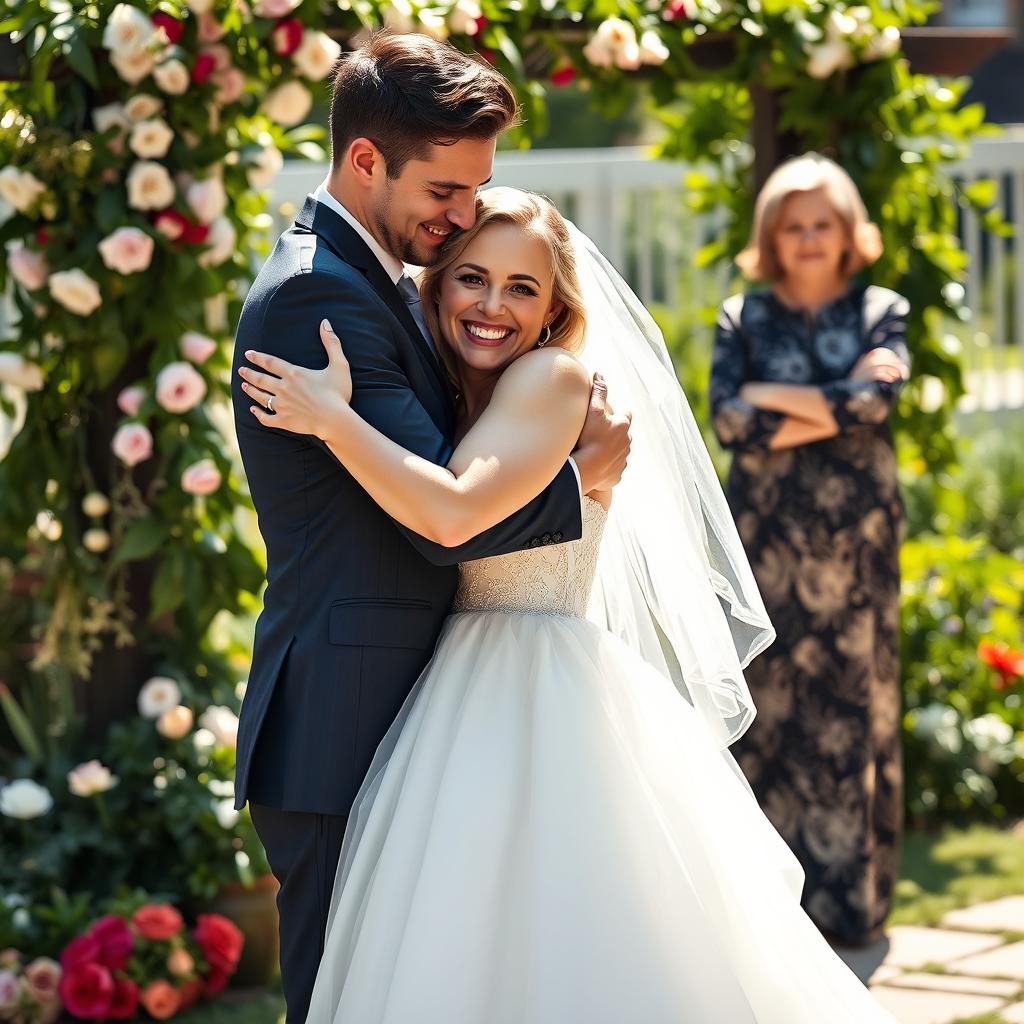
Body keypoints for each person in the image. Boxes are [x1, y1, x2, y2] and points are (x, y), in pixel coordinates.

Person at [239, 185, 899, 1023]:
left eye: (523, 288)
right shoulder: (455, 391)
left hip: (537, 684)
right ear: (435, 284)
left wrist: (333, 419)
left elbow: (451, 511)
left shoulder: (552, 379)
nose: (493, 305)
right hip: (458, 686)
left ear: (556, 309)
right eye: (473, 277)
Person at [230, 35, 630, 1023]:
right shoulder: (322, 294)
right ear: (367, 160)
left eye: (477, 189)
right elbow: (451, 519)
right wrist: (580, 484)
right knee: (341, 1000)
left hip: (412, 704)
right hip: (343, 711)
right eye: (446, 191)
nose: (462, 219)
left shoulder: (382, 283)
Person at [709, 153, 910, 946]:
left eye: (822, 223)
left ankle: (848, 909)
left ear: (846, 229)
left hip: (857, 545)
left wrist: (776, 400)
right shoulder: (741, 316)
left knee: (851, 709)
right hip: (763, 541)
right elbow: (728, 421)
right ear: (772, 234)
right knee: (766, 708)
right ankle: (761, 911)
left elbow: (880, 404)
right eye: (793, 225)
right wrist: (841, 403)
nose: (808, 237)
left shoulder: (881, 308)